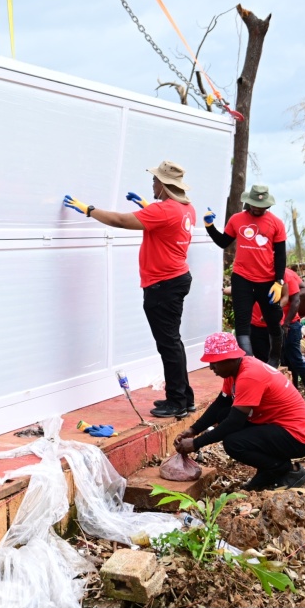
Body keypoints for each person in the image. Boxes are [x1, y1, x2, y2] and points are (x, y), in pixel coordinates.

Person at [63, 161, 197, 419]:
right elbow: (167, 222)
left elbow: (121, 221)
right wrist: (148, 207)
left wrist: (89, 209)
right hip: (177, 278)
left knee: (168, 344)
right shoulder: (185, 208)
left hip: (163, 285)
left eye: (156, 180)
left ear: (165, 185)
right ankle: (184, 397)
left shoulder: (164, 211)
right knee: (173, 342)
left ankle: (177, 401)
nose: (153, 183)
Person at [174, 332, 305, 490]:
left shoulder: (249, 376)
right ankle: (269, 468)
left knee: (234, 443)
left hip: (297, 437)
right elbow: (221, 404)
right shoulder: (235, 370)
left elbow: (234, 423)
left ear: (230, 359)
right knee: (223, 414)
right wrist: (193, 429)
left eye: (214, 363)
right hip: (279, 427)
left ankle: (283, 469)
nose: (211, 368)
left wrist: (196, 443)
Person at [204, 185, 287, 365]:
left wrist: (279, 281)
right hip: (242, 279)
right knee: (242, 321)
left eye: (262, 206)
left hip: (267, 281)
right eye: (254, 205)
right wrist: (209, 226)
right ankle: (249, 364)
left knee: (273, 321)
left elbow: (281, 254)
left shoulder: (276, 223)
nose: (257, 208)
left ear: (268, 205)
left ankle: (274, 361)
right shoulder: (237, 219)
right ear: (248, 202)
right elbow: (223, 242)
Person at [250, 267, 305, 406]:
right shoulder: (252, 273)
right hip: (258, 326)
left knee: (294, 359)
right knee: (266, 363)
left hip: (286, 324)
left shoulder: (285, 274)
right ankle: (275, 397)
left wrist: (286, 323)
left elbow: (297, 297)